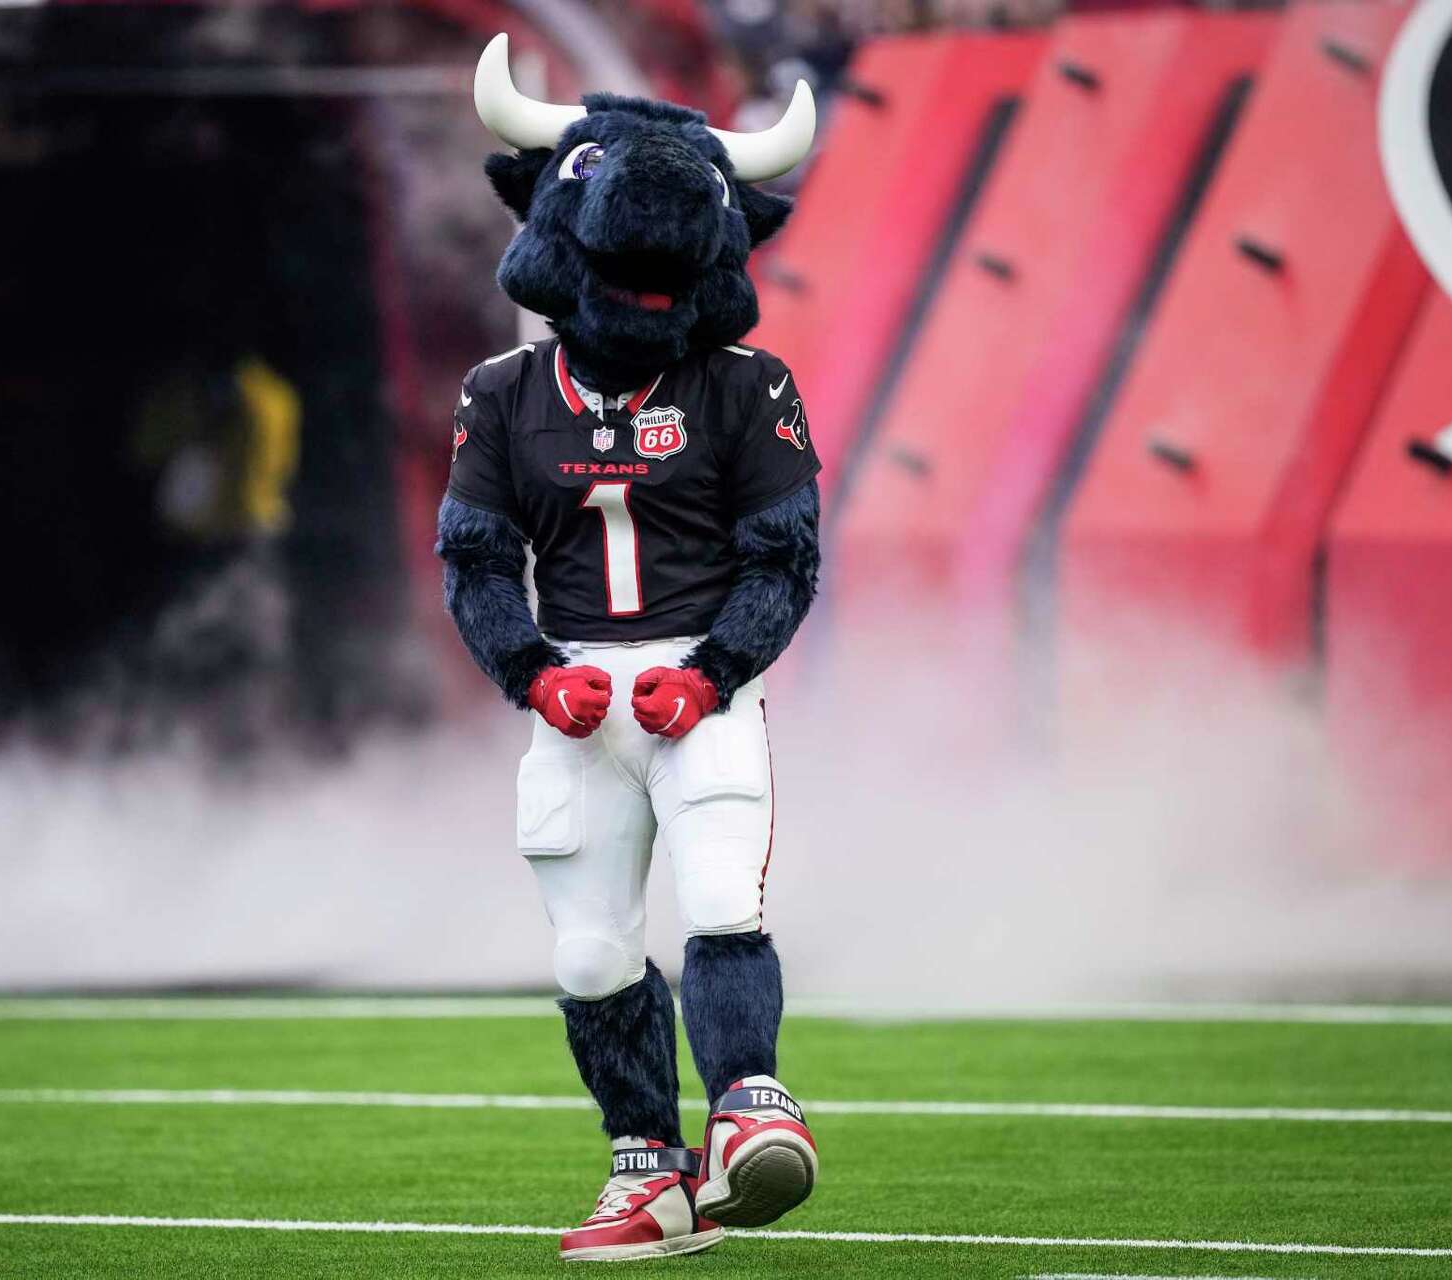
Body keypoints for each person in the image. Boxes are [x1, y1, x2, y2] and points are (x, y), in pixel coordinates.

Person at [434, 35, 826, 1263]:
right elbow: (475, 560)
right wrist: (530, 671)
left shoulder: (747, 384)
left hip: (700, 686)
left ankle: (750, 1104)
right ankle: (649, 1166)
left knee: (719, 899)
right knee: (592, 952)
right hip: (575, 695)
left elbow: (786, 561)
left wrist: (711, 672)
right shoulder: (504, 390)